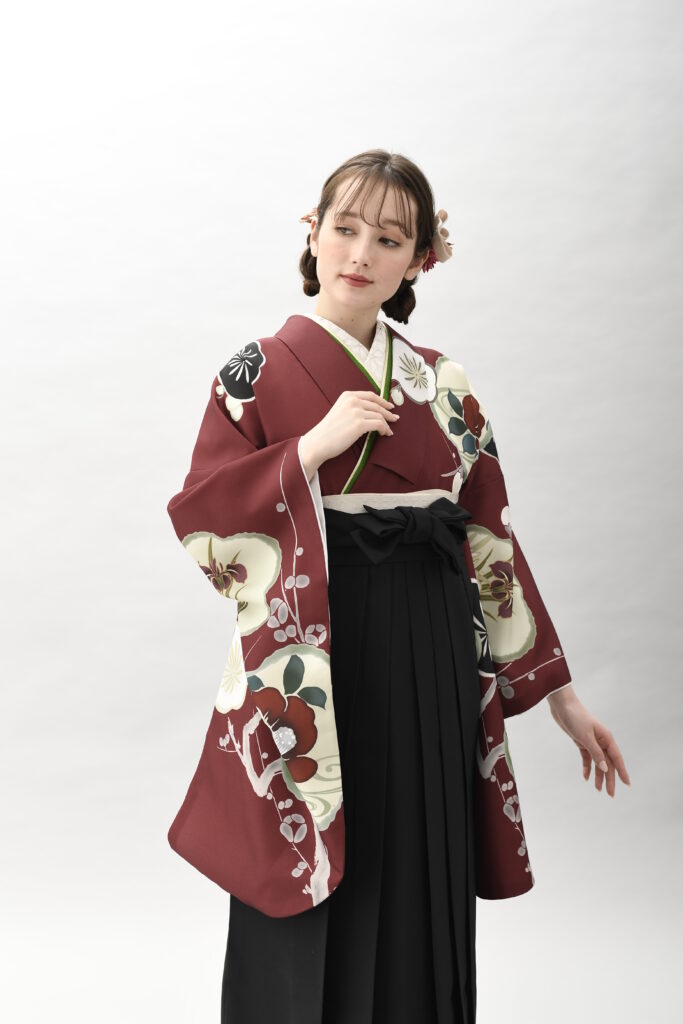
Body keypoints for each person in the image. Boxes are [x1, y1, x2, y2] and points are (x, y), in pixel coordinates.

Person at [165, 148, 631, 1024]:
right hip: (319, 645)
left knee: (422, 851)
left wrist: (561, 699)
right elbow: (204, 522)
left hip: (432, 647)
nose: (360, 253)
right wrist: (311, 448)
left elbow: (489, 540)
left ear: (419, 260)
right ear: (311, 233)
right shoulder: (253, 371)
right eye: (344, 229)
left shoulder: (443, 382)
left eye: (388, 239)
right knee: (313, 850)